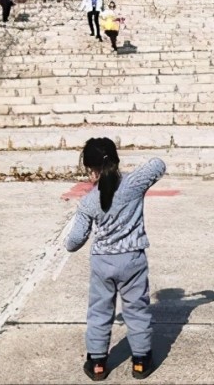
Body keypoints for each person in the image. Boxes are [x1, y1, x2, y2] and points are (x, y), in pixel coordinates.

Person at [66, 137, 166, 381]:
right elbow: (158, 164)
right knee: (137, 310)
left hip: (103, 262)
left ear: (90, 170)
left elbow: (73, 242)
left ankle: (98, 362)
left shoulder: (88, 202)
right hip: (133, 259)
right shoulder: (134, 184)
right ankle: (141, 361)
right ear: (116, 160)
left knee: (99, 312)